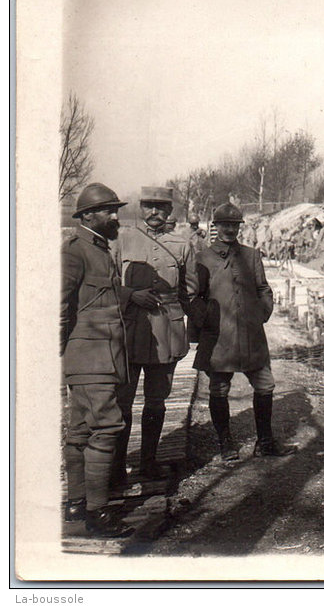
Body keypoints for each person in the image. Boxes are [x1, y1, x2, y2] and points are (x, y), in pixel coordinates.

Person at [191, 203, 297, 461]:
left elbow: (263, 288)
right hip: (220, 336)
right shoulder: (202, 257)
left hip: (251, 336)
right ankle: (225, 444)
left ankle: (265, 442)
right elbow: (194, 297)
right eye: (224, 225)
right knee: (219, 388)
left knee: (265, 385)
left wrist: (262, 312)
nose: (229, 229)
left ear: (239, 227)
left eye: (234, 225)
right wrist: (204, 327)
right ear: (215, 227)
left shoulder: (251, 255)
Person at [61, 183, 134, 537]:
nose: (115, 216)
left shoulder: (100, 250)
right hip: (90, 357)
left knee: (80, 431)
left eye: (116, 209)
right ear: (88, 215)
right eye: (108, 210)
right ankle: (98, 514)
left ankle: (77, 503)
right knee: (105, 429)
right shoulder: (75, 252)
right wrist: (62, 352)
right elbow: (59, 308)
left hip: (97, 357)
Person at [111, 186, 198, 482]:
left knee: (156, 401)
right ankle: (116, 468)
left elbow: (191, 291)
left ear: (170, 211)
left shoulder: (182, 245)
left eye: (161, 208)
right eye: (149, 206)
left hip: (166, 330)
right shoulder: (122, 240)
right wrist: (131, 295)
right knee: (123, 401)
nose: (154, 213)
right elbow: (108, 284)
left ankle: (148, 461)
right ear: (140, 208)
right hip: (131, 329)